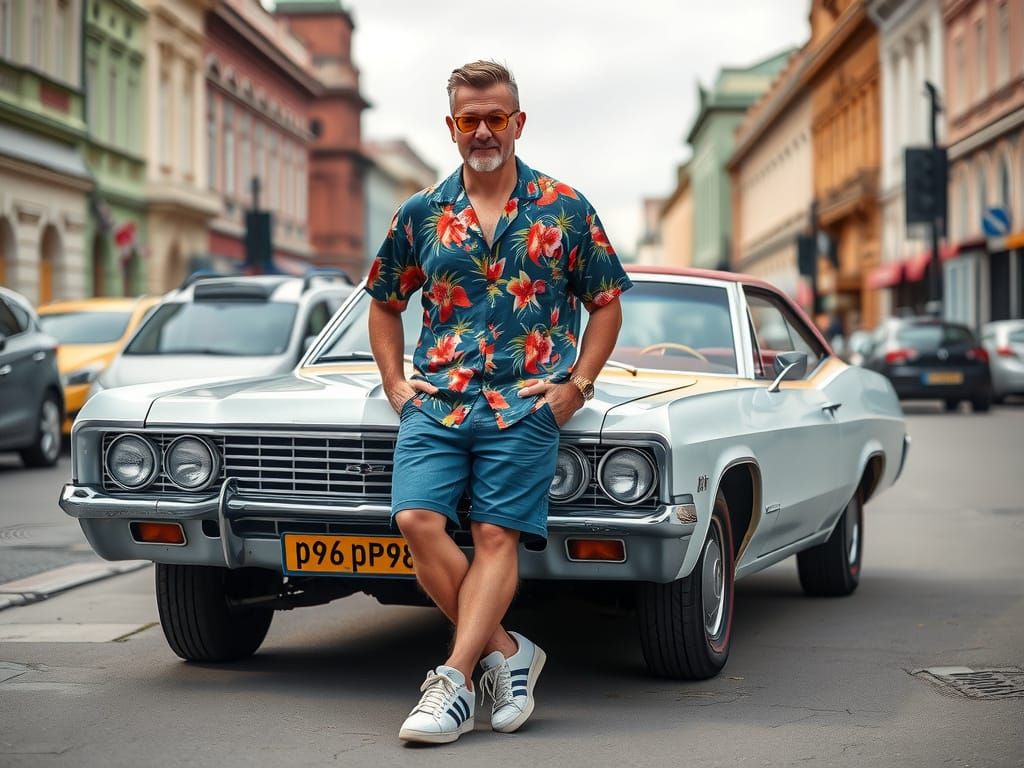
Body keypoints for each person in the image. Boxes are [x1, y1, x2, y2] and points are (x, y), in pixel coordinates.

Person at [365, 59, 632, 744]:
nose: (483, 131)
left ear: (518, 122)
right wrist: (396, 383)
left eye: (496, 118)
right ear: (451, 127)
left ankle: (452, 681)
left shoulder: (566, 208)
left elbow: (605, 306)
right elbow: (385, 304)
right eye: (469, 120)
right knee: (417, 521)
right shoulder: (421, 212)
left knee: (493, 536)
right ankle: (508, 654)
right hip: (439, 400)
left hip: (525, 405)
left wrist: (577, 384)